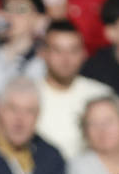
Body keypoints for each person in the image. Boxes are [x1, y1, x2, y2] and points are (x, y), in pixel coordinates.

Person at [34, 20, 113, 159]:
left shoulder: (101, 95)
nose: (66, 58)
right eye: (57, 50)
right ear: (43, 53)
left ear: (84, 54)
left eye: (73, 50)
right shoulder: (27, 96)